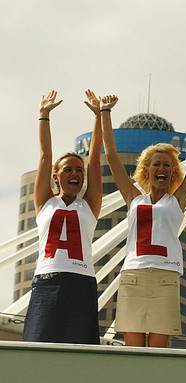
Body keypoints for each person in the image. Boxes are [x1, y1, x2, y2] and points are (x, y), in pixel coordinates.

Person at [100, 90, 186, 347]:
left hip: (165, 276)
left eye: (167, 165)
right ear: (146, 170)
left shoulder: (177, 200)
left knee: (160, 350)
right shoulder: (134, 198)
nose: (161, 168)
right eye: (156, 164)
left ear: (173, 172)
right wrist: (105, 113)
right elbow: (112, 157)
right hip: (133, 276)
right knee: (133, 349)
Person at [23, 90, 103, 344]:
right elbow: (45, 157)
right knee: (38, 343)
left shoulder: (88, 205)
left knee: (81, 349)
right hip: (47, 280)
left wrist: (99, 116)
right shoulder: (46, 202)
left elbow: (95, 161)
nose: (75, 173)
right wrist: (44, 116)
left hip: (82, 282)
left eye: (79, 170)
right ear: (56, 177)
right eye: (67, 169)